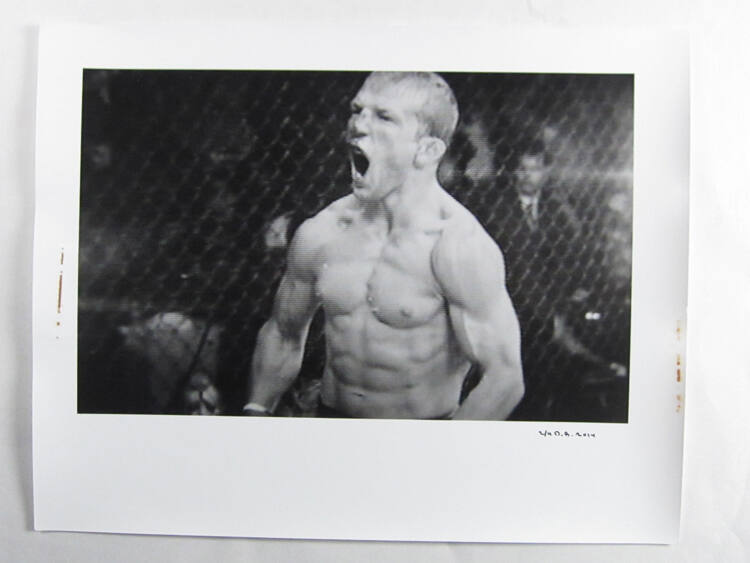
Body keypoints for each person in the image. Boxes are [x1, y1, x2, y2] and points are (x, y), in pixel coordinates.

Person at [243, 72, 523, 420]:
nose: (358, 125)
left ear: (427, 150)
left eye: (384, 117)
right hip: (332, 422)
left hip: (418, 435)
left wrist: (447, 448)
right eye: (357, 110)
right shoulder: (324, 231)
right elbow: (283, 334)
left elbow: (504, 378)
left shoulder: (456, 246)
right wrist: (255, 411)